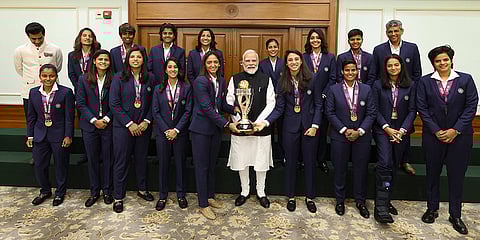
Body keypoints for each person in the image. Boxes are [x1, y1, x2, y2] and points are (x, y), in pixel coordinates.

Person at [417, 45, 478, 235]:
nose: (442, 63)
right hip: (433, 137)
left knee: (456, 176)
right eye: (438, 61)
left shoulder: (465, 79)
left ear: (451, 60)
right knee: (432, 173)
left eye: (445, 59)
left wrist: (455, 130)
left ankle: (455, 214)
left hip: (460, 138)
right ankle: (432, 208)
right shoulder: (425, 82)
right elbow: (422, 108)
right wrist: (436, 130)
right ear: (433, 64)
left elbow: (471, 106)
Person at [257, 49, 321, 213]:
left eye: (296, 59)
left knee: (309, 162)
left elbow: (319, 105)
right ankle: (290, 196)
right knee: (290, 162)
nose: (293, 62)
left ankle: (309, 196)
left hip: (309, 128)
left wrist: (315, 126)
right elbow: (279, 108)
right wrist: (265, 122)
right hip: (290, 127)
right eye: (290, 60)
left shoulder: (312, 78)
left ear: (301, 61)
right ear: (286, 63)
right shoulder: (282, 81)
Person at [326, 59, 376, 218]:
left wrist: (359, 131)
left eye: (353, 70)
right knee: (339, 169)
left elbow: (371, 113)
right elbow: (330, 112)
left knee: (360, 170)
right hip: (340, 136)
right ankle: (339, 200)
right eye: (347, 70)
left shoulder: (367, 89)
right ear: (342, 72)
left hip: (361, 137)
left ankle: (360, 201)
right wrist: (344, 129)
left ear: (357, 71)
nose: (350, 73)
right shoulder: (333, 90)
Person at [189, 51, 236, 220]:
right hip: (201, 130)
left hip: (214, 130)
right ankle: (203, 204)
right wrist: (227, 124)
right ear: (204, 64)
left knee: (211, 165)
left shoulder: (221, 80)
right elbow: (206, 108)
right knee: (202, 167)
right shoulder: (200, 81)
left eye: (216, 62)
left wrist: (236, 109)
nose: (213, 65)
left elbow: (220, 104)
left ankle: (209, 196)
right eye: (209, 62)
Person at [226, 49, 275, 209]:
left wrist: (258, 123)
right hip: (241, 129)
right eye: (247, 61)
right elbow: (230, 101)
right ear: (242, 62)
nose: (251, 63)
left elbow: (271, 103)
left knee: (261, 162)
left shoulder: (266, 79)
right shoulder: (235, 79)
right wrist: (241, 122)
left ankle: (261, 192)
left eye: (254, 60)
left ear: (258, 62)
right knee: (242, 161)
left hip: (261, 129)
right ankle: (245, 191)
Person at [109, 46, 156, 213]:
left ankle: (142, 189)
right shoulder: (118, 78)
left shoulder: (150, 78)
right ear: (127, 59)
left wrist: (146, 120)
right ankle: (118, 196)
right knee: (121, 161)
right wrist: (129, 124)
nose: (135, 59)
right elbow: (114, 104)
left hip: (143, 127)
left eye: (139, 57)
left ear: (143, 59)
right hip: (123, 128)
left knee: (142, 159)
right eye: (132, 57)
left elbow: (154, 103)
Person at [373, 19, 421, 175]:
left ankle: (404, 161)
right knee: (384, 136)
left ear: (402, 31)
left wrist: (411, 91)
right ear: (386, 33)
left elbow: (417, 73)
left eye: (396, 31)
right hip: (385, 93)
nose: (393, 34)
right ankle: (384, 162)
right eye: (390, 31)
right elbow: (374, 73)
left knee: (405, 131)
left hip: (405, 93)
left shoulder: (412, 48)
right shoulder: (379, 50)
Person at [372, 54, 416, 223]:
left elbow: (413, 110)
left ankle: (387, 199)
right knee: (385, 163)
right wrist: (387, 129)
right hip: (383, 129)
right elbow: (374, 109)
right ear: (386, 68)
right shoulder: (377, 85)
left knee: (395, 165)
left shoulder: (410, 85)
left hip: (401, 131)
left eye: (396, 65)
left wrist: (402, 130)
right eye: (389, 65)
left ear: (401, 66)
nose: (393, 68)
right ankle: (380, 206)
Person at [14, 22, 63, 165]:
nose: (36, 41)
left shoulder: (55, 49)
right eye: (33, 39)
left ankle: (55, 151)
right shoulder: (20, 50)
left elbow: (57, 67)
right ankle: (37, 154)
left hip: (52, 91)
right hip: (30, 91)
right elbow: (19, 69)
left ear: (44, 34)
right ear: (28, 37)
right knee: (33, 121)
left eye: (39, 38)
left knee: (53, 120)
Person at [26, 64, 74, 206]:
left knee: (60, 165)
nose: (48, 78)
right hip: (40, 134)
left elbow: (69, 117)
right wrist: (30, 135)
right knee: (40, 165)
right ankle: (45, 190)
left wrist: (68, 135)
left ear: (56, 76)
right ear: (40, 77)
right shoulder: (33, 92)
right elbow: (31, 117)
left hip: (59, 135)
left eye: (51, 76)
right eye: (45, 76)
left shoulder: (65, 92)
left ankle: (60, 193)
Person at [152, 57, 192, 211]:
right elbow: (155, 111)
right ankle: (162, 196)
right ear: (165, 69)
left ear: (179, 69)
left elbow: (188, 111)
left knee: (180, 165)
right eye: (170, 67)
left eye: (175, 67)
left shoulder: (186, 88)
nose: (173, 69)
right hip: (163, 134)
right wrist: (166, 130)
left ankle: (181, 194)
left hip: (179, 133)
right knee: (163, 165)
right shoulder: (158, 89)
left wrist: (176, 130)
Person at [76, 49, 114, 207]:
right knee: (92, 160)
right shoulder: (83, 79)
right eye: (100, 59)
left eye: (106, 60)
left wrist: (105, 118)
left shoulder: (115, 79)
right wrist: (93, 120)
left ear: (110, 62)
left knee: (108, 159)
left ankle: (107, 190)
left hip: (108, 125)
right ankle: (94, 192)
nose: (103, 62)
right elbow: (81, 103)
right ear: (94, 61)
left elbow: (118, 102)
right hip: (90, 126)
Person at [303, 28, 336, 174]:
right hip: (308, 101)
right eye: (312, 38)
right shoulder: (303, 57)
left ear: (322, 40)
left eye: (318, 38)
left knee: (321, 132)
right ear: (309, 40)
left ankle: (321, 160)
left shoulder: (330, 57)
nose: (315, 40)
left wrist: (323, 94)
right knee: (306, 130)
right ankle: (305, 159)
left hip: (324, 100)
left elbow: (333, 78)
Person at [259, 38, 285, 162]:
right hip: (267, 100)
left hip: (281, 99)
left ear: (278, 48)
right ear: (266, 49)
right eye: (270, 47)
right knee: (267, 127)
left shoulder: (284, 63)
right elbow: (260, 80)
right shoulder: (262, 64)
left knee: (281, 129)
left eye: (275, 47)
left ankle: (281, 156)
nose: (273, 49)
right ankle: (268, 157)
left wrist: (278, 93)